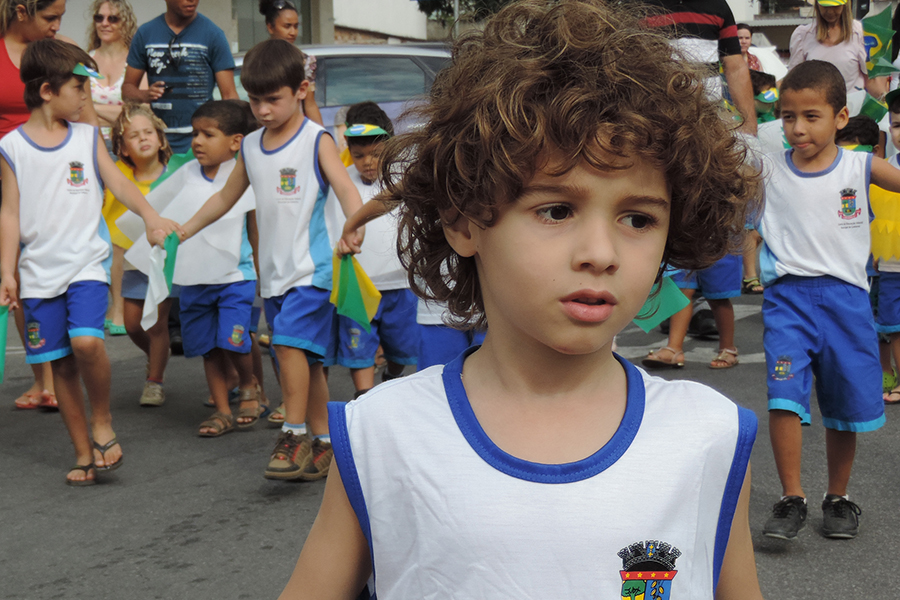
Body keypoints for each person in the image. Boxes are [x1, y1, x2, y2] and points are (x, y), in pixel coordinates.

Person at [280, 2, 764, 598]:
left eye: (638, 218)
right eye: (556, 210)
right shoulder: (382, 435)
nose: (600, 252)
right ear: (463, 221)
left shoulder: (709, 436)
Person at [178, 39, 364, 481]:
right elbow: (226, 196)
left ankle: (294, 432)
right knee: (307, 360)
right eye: (254, 100)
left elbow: (345, 187)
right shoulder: (252, 146)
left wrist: (354, 225)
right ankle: (323, 442)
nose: (262, 110)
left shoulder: (315, 139)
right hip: (274, 277)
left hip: (312, 271)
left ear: (301, 89)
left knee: (286, 346)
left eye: (272, 99)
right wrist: (185, 228)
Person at [0, 39, 179, 485]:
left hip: (86, 264)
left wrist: (152, 215)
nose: (87, 96)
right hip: (37, 273)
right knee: (60, 363)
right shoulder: (11, 147)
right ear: (46, 91)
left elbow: (117, 181)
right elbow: (9, 212)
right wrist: (7, 271)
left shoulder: (85, 137)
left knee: (86, 343)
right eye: (79, 87)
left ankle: (103, 420)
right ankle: (83, 452)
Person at [758, 60, 900, 540]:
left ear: (840, 118)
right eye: (788, 116)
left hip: (847, 302)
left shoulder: (861, 165)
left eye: (811, 116)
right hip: (788, 302)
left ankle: (837, 498)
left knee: (845, 406)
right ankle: (790, 497)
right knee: (783, 397)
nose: (797, 128)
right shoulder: (769, 167)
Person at [154, 100, 262, 435]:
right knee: (207, 348)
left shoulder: (244, 176)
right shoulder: (185, 175)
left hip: (235, 277)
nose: (197, 141)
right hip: (195, 280)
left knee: (234, 338)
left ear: (235, 142)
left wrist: (262, 272)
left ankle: (249, 385)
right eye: (194, 133)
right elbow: (159, 211)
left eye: (208, 134)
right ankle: (221, 410)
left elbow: (257, 228)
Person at [0, 0, 73, 410]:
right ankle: (41, 376)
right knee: (15, 279)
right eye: (50, 17)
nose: (56, 25)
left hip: (54, 179)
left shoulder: (57, 52)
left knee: (56, 271)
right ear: (22, 11)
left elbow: (80, 110)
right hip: (7, 178)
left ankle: (62, 368)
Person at [329, 101, 419, 397]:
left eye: (376, 153)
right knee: (360, 349)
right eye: (359, 155)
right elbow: (332, 225)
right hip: (359, 284)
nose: (367, 161)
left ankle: (391, 375)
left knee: (402, 350)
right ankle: (364, 397)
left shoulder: (405, 181)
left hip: (400, 283)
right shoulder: (341, 183)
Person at [106, 103, 174, 406]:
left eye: (149, 132)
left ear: (161, 139)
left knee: (157, 324)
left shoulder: (177, 173)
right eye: (134, 135)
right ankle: (157, 356)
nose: (143, 138)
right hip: (132, 263)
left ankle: (154, 380)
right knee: (133, 323)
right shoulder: (118, 175)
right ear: (122, 147)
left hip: (166, 263)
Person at [122, 0, 238, 153]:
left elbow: (229, 95)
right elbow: (127, 89)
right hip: (158, 143)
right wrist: (144, 95)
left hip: (200, 142)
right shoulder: (146, 33)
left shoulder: (213, 34)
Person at [641, 0, 757, 136]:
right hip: (655, 124)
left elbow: (736, 68)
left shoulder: (718, 5)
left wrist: (750, 126)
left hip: (708, 123)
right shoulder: (638, 5)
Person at [258, 0, 322, 127]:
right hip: (266, 126)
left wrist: (322, 136)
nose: (293, 32)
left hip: (297, 128)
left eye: (296, 26)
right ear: (270, 27)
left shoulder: (305, 61)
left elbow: (309, 104)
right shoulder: (258, 59)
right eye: (287, 26)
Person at [788, 0, 866, 94]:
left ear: (845, 5)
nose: (830, 11)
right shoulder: (803, 35)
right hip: (816, 105)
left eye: (835, 6)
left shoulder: (860, 33)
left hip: (853, 105)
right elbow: (794, 80)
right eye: (825, 6)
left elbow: (871, 79)